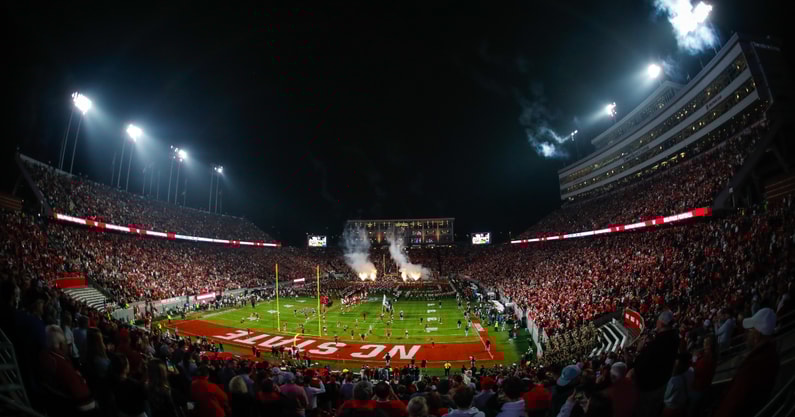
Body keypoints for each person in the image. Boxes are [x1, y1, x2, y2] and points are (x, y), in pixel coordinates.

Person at [713, 308, 779, 417]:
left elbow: (732, 404)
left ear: (756, 335)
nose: (746, 335)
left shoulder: (752, 366)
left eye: (749, 331)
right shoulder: (771, 354)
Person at [37, 325, 97, 416]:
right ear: (61, 344)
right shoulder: (62, 365)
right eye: (66, 341)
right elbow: (87, 403)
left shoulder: (44, 356)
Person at [631, 310, 679, 417]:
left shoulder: (657, 344)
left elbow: (640, 367)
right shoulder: (675, 337)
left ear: (661, 323)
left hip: (650, 387)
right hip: (662, 383)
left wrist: (639, 350)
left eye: (657, 320)